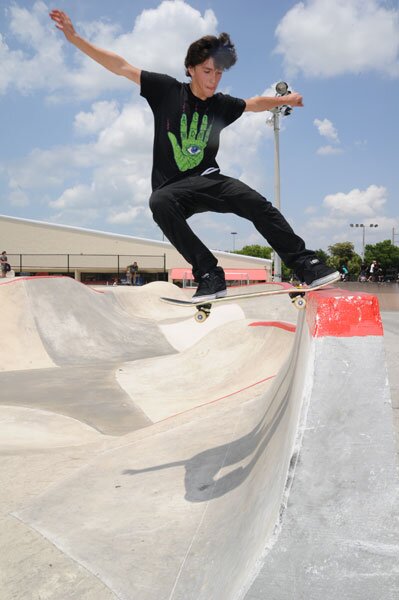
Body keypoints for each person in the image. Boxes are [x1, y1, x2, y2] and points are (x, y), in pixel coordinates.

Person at [50, 9, 339, 301]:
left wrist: (285, 100)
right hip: (173, 190)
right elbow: (121, 66)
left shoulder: (222, 105)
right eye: (207, 71)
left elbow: (253, 104)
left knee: (256, 203)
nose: (213, 80)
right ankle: (209, 274)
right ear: (190, 68)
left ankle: (306, 264)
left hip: (208, 180)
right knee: (158, 202)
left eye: (218, 73)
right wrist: (75, 39)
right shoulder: (166, 91)